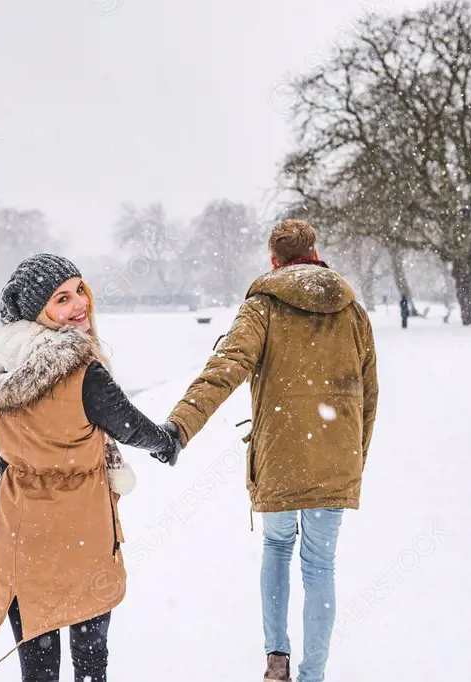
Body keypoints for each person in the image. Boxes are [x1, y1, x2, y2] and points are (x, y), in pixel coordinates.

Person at [158, 220, 379, 682]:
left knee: (277, 546)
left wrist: (181, 424)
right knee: (321, 565)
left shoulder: (262, 306)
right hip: (336, 455)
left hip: (280, 453)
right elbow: (369, 393)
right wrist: (354, 456)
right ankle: (313, 674)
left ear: (274, 259)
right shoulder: (352, 311)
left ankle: (276, 657)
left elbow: (226, 367)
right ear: (315, 252)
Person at [0, 253, 182, 681]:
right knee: (89, 659)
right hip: (81, 533)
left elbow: (5, 456)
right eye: (61, 299)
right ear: (37, 313)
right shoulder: (81, 372)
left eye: (79, 290)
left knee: (38, 666)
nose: (79, 304)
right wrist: (169, 441)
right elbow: (130, 426)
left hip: (20, 535)